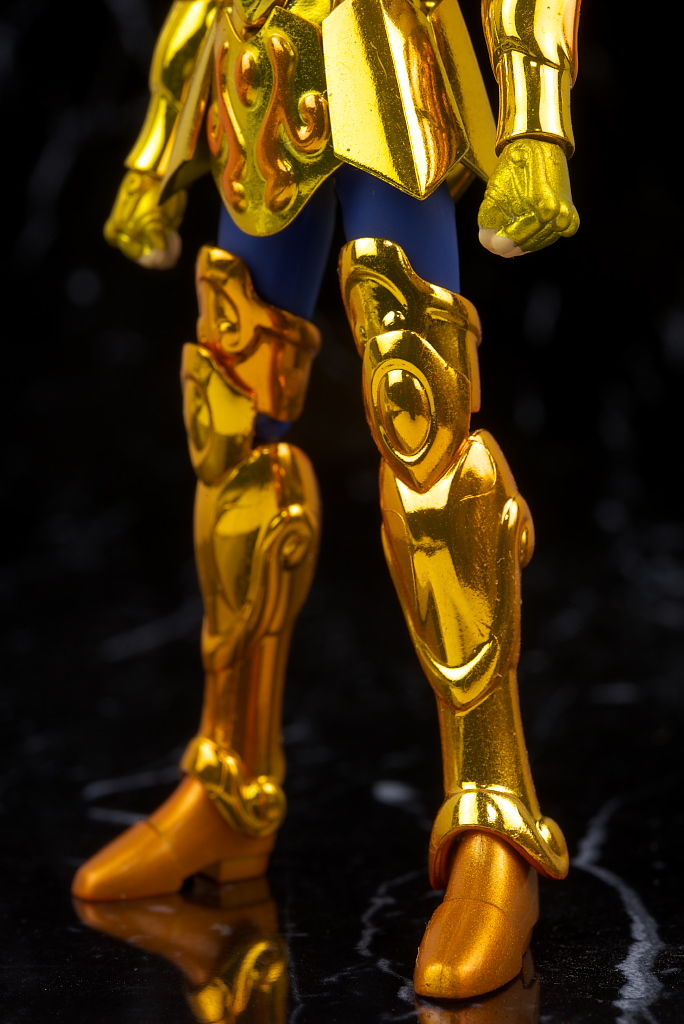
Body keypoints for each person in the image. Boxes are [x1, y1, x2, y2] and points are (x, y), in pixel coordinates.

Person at [72, 0, 580, 999]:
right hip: (253, 94)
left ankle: (497, 823)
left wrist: (535, 123)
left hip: (389, 73)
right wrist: (158, 150)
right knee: (231, 433)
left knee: (424, 424)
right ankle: (231, 783)